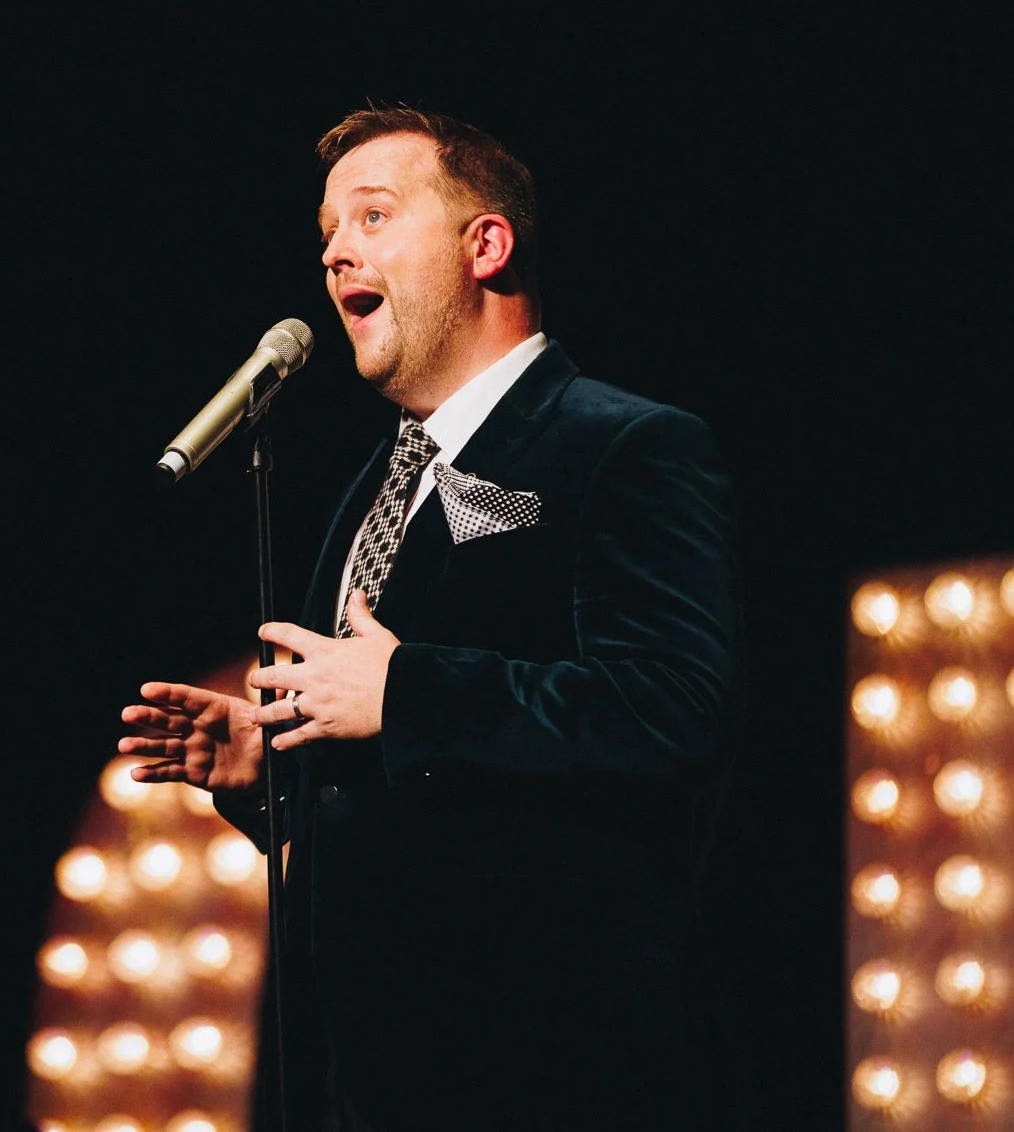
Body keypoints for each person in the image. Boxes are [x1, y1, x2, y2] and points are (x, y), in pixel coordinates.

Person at [119, 109, 744, 1129]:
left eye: (373, 214)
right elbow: (411, 794)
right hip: (373, 1083)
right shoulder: (374, 488)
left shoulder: (623, 445)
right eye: (325, 228)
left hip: (556, 1073)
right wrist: (274, 775)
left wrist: (406, 689)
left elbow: (673, 709)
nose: (333, 250)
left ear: (485, 245)